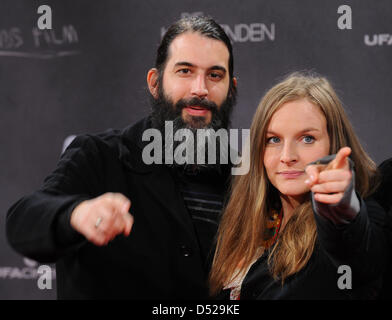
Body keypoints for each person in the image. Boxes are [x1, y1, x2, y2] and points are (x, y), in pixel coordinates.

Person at [6, 16, 238, 299]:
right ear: (155, 83)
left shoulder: (246, 176)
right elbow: (23, 221)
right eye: (185, 71)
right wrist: (76, 215)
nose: (200, 88)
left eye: (215, 75)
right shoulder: (100, 156)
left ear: (231, 88)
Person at [209, 72, 389, 299]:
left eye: (307, 139)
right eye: (273, 140)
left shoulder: (363, 215)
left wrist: (343, 211)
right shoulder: (246, 221)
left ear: (334, 143)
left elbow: (358, 251)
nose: (287, 156)